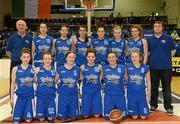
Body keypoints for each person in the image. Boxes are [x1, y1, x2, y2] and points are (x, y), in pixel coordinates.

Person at [148, 21, 176, 116]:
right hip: (153, 67)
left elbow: (173, 50)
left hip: (166, 67)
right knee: (154, 87)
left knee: (166, 88)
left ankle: (168, 107)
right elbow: (147, 53)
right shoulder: (150, 39)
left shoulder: (168, 38)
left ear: (162, 28)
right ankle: (153, 105)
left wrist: (167, 59)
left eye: (159, 26)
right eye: (156, 26)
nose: (157, 28)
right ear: (153, 28)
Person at [6, 19, 33, 97]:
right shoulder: (12, 38)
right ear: (16, 26)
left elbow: (32, 50)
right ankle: (12, 102)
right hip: (15, 62)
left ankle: (28, 100)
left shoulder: (30, 37)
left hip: (27, 63)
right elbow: (8, 51)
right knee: (13, 82)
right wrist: (15, 57)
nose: (21, 26)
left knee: (27, 81)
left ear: (26, 27)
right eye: (19, 25)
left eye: (23, 25)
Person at [10, 48, 35, 123]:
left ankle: (27, 112)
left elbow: (35, 81)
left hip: (29, 97)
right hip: (19, 97)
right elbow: (12, 84)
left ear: (30, 58)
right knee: (16, 121)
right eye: (24, 57)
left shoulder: (33, 68)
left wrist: (36, 73)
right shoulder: (15, 69)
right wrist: (11, 98)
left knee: (28, 120)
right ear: (21, 58)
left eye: (28, 57)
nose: (26, 59)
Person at [125, 49, 151, 119]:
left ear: (140, 58)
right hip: (131, 94)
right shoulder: (127, 66)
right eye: (132, 57)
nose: (134, 58)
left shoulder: (145, 67)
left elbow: (148, 81)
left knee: (143, 117)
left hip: (141, 94)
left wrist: (149, 94)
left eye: (136, 57)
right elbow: (126, 77)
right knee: (135, 117)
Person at [56, 52, 80, 120]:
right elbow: (55, 80)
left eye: (73, 57)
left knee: (74, 117)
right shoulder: (60, 69)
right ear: (66, 58)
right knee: (62, 118)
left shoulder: (77, 69)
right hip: (63, 95)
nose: (71, 59)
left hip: (73, 96)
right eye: (69, 57)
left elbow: (81, 79)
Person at [80, 49, 103, 118]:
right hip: (86, 92)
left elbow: (101, 78)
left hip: (96, 92)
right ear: (86, 57)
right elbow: (81, 79)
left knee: (97, 115)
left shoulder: (99, 67)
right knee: (85, 116)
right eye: (89, 56)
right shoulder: (82, 67)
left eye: (93, 56)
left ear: (95, 57)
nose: (91, 58)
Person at [103, 52, 126, 120]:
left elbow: (127, 79)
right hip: (109, 96)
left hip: (120, 95)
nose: (111, 59)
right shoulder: (103, 68)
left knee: (123, 117)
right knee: (107, 117)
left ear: (116, 58)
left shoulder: (122, 68)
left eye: (113, 57)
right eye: (109, 57)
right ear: (107, 59)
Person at [35, 52, 57, 122]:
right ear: (42, 60)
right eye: (45, 59)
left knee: (50, 118)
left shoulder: (54, 70)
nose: (47, 60)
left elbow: (55, 81)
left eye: (49, 59)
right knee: (41, 118)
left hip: (50, 97)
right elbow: (33, 80)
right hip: (40, 96)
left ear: (51, 60)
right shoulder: (37, 69)